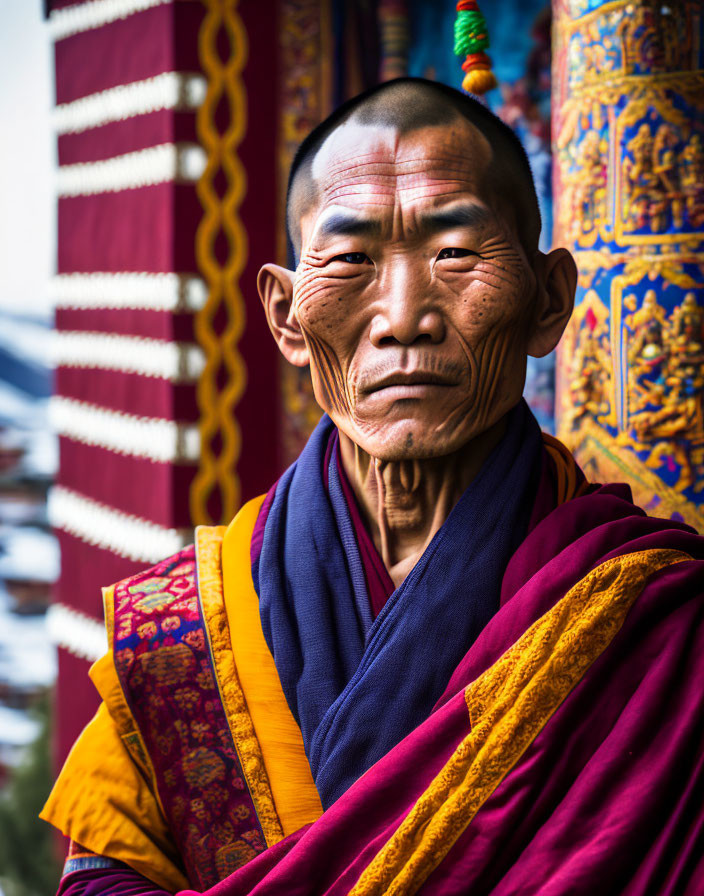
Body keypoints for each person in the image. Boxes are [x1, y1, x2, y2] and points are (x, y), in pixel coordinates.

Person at [41, 78, 704, 895]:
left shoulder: (652, 621)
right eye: (351, 259)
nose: (403, 316)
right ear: (286, 316)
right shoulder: (183, 629)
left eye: (456, 253)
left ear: (549, 300)